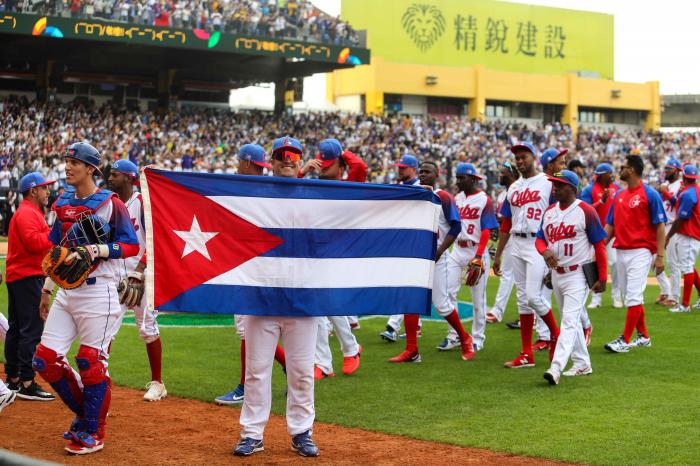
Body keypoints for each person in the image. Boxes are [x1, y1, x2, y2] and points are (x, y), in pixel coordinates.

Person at [32, 142, 139, 455]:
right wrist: (48, 288)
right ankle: (86, 413)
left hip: (99, 290)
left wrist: (98, 249)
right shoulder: (63, 201)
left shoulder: (110, 203)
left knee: (90, 362)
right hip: (67, 290)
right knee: (45, 360)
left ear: (91, 168)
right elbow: (56, 248)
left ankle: (93, 430)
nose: (68, 167)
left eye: (74, 162)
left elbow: (130, 245)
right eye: (66, 161)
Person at [234, 137, 319, 457]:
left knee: (301, 371)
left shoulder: (315, 196)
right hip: (262, 296)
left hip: (303, 298)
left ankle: (302, 431)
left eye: (294, 156)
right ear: (272, 160)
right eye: (282, 155)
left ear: (301, 161)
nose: (288, 159)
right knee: (256, 370)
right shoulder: (256, 194)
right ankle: (252, 433)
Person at [215, 144, 287, 406]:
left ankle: (245, 386)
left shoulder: (251, 189)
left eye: (239, 162)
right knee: (253, 327)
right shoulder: (260, 187)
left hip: (255, 268)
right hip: (252, 266)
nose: (237, 166)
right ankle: (290, 369)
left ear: (246, 162)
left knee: (249, 327)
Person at [389, 160, 468, 363]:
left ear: (437, 175)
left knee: (441, 305)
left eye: (428, 172)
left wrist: (441, 250)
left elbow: (456, 226)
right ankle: (412, 350)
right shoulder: (416, 195)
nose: (423, 175)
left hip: (436, 258)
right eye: (421, 171)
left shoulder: (442, 196)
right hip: (415, 257)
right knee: (409, 300)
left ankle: (465, 338)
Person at [493, 142, 560, 368]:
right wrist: (498, 254)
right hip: (517, 242)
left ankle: (555, 334)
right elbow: (506, 223)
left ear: (534, 157)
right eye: (517, 158)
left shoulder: (547, 183)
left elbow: (558, 214)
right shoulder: (513, 188)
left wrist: (555, 247)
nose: (520, 161)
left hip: (537, 243)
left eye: (524, 157)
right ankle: (526, 354)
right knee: (523, 301)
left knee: (533, 296)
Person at [536, 170, 607, 385]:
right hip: (557, 274)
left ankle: (556, 367)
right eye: (553, 184)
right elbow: (540, 240)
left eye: (559, 184)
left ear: (572, 188)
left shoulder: (585, 210)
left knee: (568, 321)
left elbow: (599, 245)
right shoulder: (549, 211)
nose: (554, 187)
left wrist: (602, 277)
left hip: (578, 274)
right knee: (572, 321)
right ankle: (582, 362)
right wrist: (544, 251)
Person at [107, 159, 167, 402]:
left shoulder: (142, 202)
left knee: (148, 328)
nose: (109, 178)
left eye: (114, 175)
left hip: (142, 276)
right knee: (105, 328)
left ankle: (158, 383)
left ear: (129, 178)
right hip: (117, 275)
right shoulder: (110, 204)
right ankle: (100, 380)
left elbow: (156, 239)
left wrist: (141, 269)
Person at [306, 139, 363, 379]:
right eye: (321, 163)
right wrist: (303, 170)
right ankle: (327, 361)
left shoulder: (348, 184)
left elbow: (359, 166)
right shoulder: (313, 184)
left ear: (340, 164)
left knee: (331, 305)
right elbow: (285, 190)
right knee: (317, 309)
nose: (323, 168)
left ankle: (349, 350)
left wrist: (342, 152)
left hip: (340, 252)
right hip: (316, 250)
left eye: (328, 164)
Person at [603, 154, 666, 353]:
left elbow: (660, 226)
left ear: (631, 170)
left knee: (633, 296)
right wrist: (597, 247)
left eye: (623, 166)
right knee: (630, 295)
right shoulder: (619, 196)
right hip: (621, 250)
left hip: (641, 251)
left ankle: (624, 340)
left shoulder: (650, 194)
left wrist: (660, 256)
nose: (620, 169)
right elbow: (610, 226)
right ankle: (644, 336)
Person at [5, 172, 56, 401]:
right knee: (31, 329)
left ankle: (14, 380)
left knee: (16, 329)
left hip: (21, 275)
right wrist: (55, 235)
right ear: (33, 190)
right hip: (28, 275)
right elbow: (35, 244)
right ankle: (26, 381)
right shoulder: (27, 212)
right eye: (45, 188)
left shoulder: (30, 211)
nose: (48, 191)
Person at [439, 163, 498, 352]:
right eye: (457, 177)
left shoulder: (484, 199)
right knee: (447, 291)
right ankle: (454, 334)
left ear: (472, 179)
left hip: (475, 250)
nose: (458, 181)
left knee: (478, 299)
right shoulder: (456, 198)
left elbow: (487, 229)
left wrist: (480, 256)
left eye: (461, 177)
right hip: (457, 250)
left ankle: (478, 337)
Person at [380, 154, 422, 342]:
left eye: (404, 167)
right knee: (408, 286)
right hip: (402, 242)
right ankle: (415, 326)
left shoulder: (421, 188)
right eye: (399, 167)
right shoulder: (400, 187)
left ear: (413, 169)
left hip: (415, 244)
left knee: (405, 285)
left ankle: (393, 326)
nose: (400, 170)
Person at [580, 163, 622, 309]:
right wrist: (601, 201)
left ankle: (616, 295)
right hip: (593, 232)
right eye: (609, 173)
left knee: (616, 263)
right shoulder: (589, 189)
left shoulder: (617, 188)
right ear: (602, 175)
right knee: (594, 264)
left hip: (611, 232)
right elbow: (584, 210)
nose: (612, 175)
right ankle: (596, 298)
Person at [486, 162, 519, 324]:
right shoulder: (502, 195)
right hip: (506, 235)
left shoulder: (517, 191)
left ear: (512, 174)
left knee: (508, 275)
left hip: (516, 236)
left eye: (503, 172)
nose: (500, 175)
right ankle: (529, 315)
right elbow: (502, 219)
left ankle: (498, 311)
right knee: (512, 276)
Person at [665, 164, 700, 313]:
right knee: (689, 266)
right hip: (691, 233)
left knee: (686, 267)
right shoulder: (694, 191)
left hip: (688, 234)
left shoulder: (688, 194)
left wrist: (668, 235)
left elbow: (681, 219)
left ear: (684, 177)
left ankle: (685, 305)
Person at [655, 158, 683, 306]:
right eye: (665, 168)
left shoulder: (680, 185)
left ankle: (674, 298)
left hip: (673, 226)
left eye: (670, 169)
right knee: (653, 259)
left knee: (673, 264)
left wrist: (665, 192)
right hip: (662, 225)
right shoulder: (666, 184)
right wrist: (662, 191)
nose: (666, 171)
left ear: (677, 170)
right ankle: (665, 290)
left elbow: (677, 204)